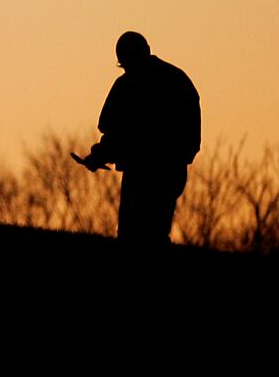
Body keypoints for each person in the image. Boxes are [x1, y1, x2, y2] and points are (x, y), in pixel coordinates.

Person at [77, 31, 201, 245]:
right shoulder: (178, 80)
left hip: (142, 175)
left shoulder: (126, 86)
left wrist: (100, 155)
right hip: (170, 171)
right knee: (156, 236)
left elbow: (116, 133)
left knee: (131, 237)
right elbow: (192, 136)